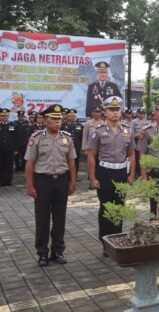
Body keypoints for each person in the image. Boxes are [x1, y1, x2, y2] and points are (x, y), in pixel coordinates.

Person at [24, 104, 77, 266]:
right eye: (54, 119)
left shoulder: (67, 137)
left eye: (60, 119)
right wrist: (30, 185)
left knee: (60, 219)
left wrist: (72, 181)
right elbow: (30, 164)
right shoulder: (37, 138)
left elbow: (72, 162)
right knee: (42, 219)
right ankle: (42, 253)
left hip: (61, 181)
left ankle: (58, 251)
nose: (58, 122)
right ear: (46, 120)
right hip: (43, 182)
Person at [87, 97, 135, 255]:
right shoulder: (97, 131)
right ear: (105, 112)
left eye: (117, 110)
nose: (115, 113)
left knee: (120, 207)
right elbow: (91, 155)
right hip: (105, 173)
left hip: (121, 172)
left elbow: (132, 154)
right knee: (106, 208)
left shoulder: (127, 130)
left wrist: (131, 175)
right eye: (111, 110)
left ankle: (118, 239)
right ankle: (106, 243)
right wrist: (93, 178)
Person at [61, 109, 83, 177]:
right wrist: (64, 144)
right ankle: (66, 176)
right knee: (66, 162)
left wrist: (81, 147)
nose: (72, 117)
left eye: (73, 116)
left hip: (76, 147)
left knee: (76, 162)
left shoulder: (79, 125)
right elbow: (62, 136)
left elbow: (81, 137)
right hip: (66, 146)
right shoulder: (63, 125)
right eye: (70, 116)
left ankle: (75, 176)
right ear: (67, 117)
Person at [0, 108, 17, 186]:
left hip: (10, 149)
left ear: (8, 116)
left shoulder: (12, 125)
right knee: (1, 165)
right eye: (2, 116)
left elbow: (16, 137)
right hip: (0, 149)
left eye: (6, 116)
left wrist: (16, 149)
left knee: (9, 166)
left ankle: (8, 181)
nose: (4, 117)